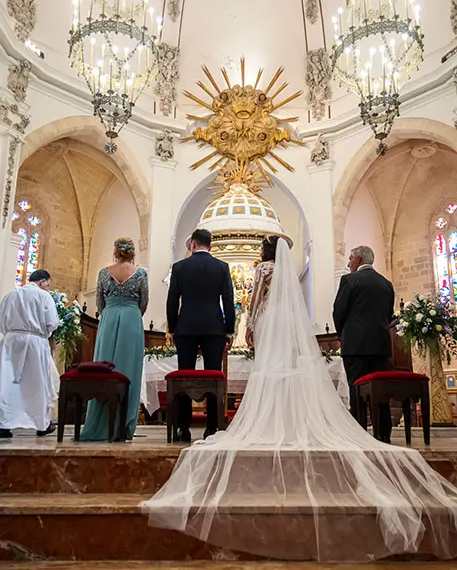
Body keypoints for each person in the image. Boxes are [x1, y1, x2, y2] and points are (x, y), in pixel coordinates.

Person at [142, 237, 457, 562]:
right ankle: (294, 420)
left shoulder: (262, 269)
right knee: (285, 370)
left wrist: (248, 327)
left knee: (268, 370)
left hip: (266, 321)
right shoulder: (288, 272)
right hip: (289, 323)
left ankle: (254, 421)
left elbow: (255, 300)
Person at [167, 228, 235, 442]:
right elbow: (228, 300)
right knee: (214, 376)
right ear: (210, 246)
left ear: (193, 244)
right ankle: (212, 427)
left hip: (186, 327)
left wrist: (173, 328)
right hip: (214, 328)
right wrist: (229, 330)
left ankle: (183, 428)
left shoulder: (179, 267)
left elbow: (172, 300)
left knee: (185, 376)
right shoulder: (221, 267)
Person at [81, 238, 149, 441]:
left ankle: (100, 420)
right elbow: (144, 302)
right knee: (129, 369)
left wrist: (111, 309)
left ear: (115, 252)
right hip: (132, 319)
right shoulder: (141, 274)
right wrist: (131, 311)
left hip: (109, 318)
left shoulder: (104, 273)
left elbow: (99, 302)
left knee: (105, 367)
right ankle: (124, 425)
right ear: (132, 252)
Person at [333, 245, 394, 443]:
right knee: (381, 391)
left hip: (355, 345)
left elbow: (338, 311)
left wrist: (343, 335)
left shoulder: (349, 280)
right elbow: (389, 315)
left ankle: (360, 434)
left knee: (356, 388)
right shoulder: (386, 284)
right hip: (380, 346)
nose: (348, 263)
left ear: (358, 260)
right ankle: (384, 434)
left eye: (350, 259)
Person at [0, 270, 59, 438]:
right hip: (35, 342)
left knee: (7, 384)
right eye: (47, 284)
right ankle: (41, 425)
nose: (48, 288)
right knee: (37, 383)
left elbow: (1, 321)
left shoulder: (10, 295)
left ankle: (4, 425)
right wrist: (44, 333)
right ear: (41, 282)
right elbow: (52, 322)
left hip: (10, 343)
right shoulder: (44, 296)